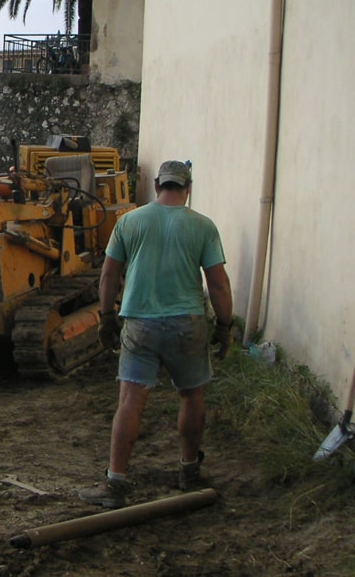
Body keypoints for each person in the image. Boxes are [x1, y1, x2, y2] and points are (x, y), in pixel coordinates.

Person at [78, 160, 233, 509]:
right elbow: (218, 283)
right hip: (186, 324)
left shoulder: (129, 222)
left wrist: (106, 317)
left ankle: (115, 483)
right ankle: (189, 471)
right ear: (187, 188)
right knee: (191, 395)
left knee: (130, 401)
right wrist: (225, 325)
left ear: (157, 185)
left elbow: (109, 275)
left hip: (140, 324)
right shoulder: (203, 226)